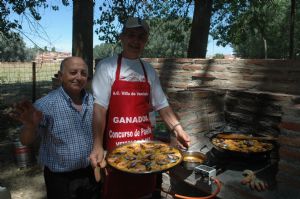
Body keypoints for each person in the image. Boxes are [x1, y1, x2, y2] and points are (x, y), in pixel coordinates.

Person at [89, 17, 191, 199]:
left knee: (144, 192)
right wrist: (97, 144)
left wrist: (178, 129)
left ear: (145, 41)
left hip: (146, 149)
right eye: (131, 35)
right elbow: (99, 109)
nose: (135, 41)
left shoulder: (149, 70)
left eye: (141, 37)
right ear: (122, 37)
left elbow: (162, 105)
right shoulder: (107, 67)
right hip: (116, 150)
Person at [11, 57, 101, 199]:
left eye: (83, 73)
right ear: (60, 76)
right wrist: (30, 126)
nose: (78, 77)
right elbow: (25, 141)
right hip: (60, 179)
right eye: (73, 72)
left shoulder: (93, 102)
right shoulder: (45, 105)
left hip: (90, 173)